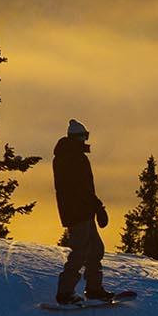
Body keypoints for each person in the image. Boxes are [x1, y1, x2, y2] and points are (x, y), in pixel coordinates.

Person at [52, 119, 114, 305]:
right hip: (78, 212)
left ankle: (94, 288)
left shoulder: (71, 156)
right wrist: (97, 206)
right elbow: (80, 188)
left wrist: (95, 207)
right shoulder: (72, 158)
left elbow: (83, 189)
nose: (86, 140)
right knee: (80, 251)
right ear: (78, 137)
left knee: (95, 249)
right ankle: (65, 292)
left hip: (83, 211)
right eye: (85, 136)